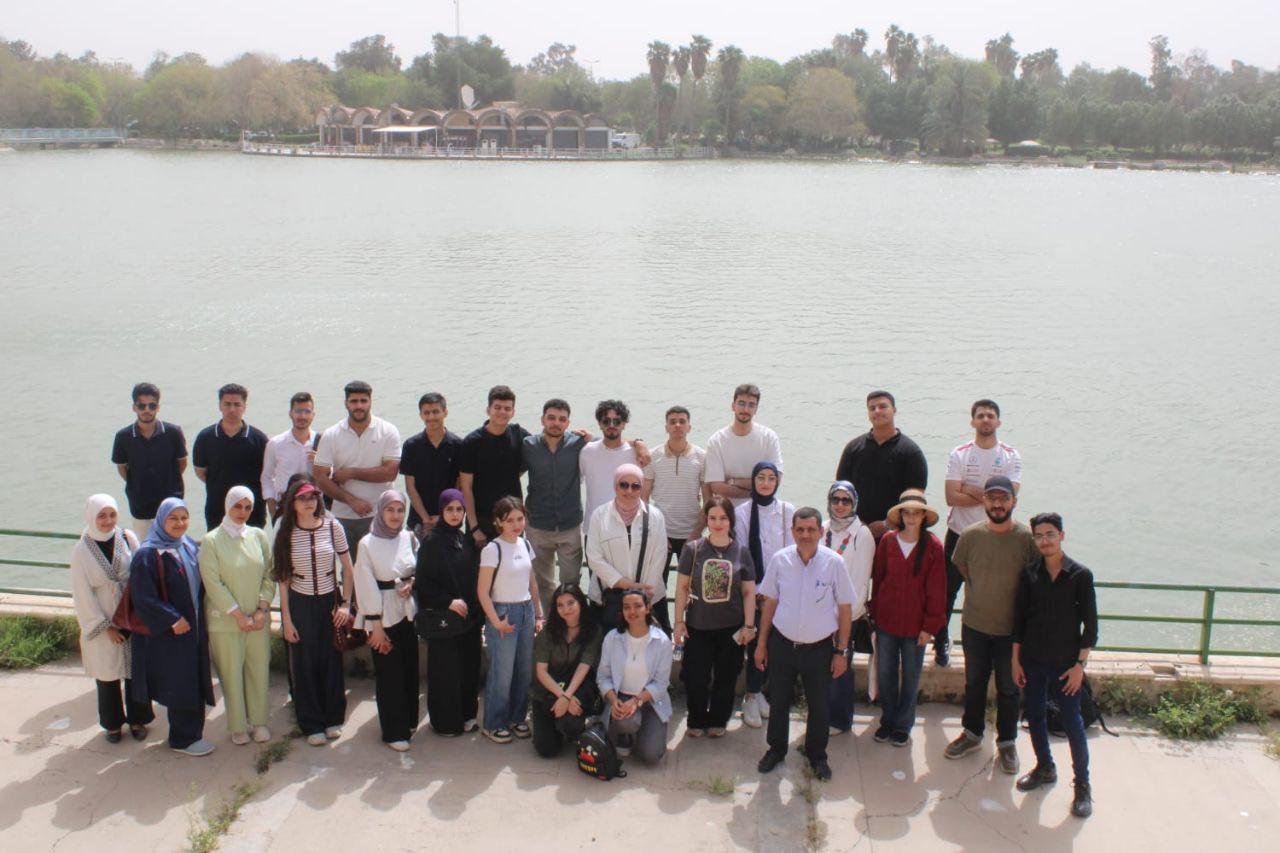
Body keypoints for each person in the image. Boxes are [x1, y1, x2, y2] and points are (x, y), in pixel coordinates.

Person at [943, 475, 1039, 774]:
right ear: (984, 500)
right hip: (975, 625)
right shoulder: (970, 535)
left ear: (1014, 501)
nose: (998, 504)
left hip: (1012, 631)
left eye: (1003, 498)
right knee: (974, 684)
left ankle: (1007, 742)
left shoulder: (1027, 539)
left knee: (1009, 689)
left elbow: (1037, 579)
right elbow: (961, 565)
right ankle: (972, 734)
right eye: (992, 498)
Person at [754, 508, 854, 782]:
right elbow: (770, 602)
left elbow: (845, 609)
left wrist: (841, 651)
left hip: (819, 649)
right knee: (778, 701)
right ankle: (776, 750)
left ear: (821, 532)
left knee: (820, 705)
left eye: (811, 530)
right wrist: (762, 644)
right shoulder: (780, 560)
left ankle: (817, 755)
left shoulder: (834, 563)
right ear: (792, 532)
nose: (806, 535)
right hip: (783, 645)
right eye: (800, 530)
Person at [1013, 512, 1098, 819]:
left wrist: (1079, 666)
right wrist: (1015, 661)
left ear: (1061, 535)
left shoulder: (1080, 575)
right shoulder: (1029, 574)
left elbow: (1090, 627)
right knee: (1035, 718)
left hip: (1065, 667)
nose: (1045, 541)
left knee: (1073, 724)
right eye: (1039, 536)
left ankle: (1082, 785)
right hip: (1033, 661)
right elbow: (1019, 622)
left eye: (1050, 534)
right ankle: (1044, 766)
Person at [938, 399, 1023, 666]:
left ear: (998, 421)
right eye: (981, 415)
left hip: (995, 536)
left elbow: (1008, 498)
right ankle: (941, 641)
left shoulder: (1011, 455)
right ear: (972, 421)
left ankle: (1000, 646)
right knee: (947, 592)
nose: (986, 419)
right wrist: (988, 495)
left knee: (995, 592)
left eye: (990, 415)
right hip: (959, 533)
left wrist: (968, 489)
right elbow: (951, 497)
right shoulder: (960, 453)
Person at [128, 498, 216, 756]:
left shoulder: (186, 545)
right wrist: (172, 619)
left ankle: (193, 732)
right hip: (172, 633)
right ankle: (182, 738)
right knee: (180, 681)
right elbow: (143, 597)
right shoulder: (148, 554)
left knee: (194, 677)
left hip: (193, 627)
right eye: (173, 518)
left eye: (184, 518)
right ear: (160, 520)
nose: (180, 523)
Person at [273, 480, 355, 746]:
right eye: (303, 498)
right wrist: (287, 620)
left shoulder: (332, 526)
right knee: (305, 662)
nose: (309, 502)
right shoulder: (286, 532)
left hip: (329, 600)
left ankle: (333, 718)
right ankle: (311, 723)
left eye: (313, 497)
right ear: (293, 503)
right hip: (301, 601)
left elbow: (348, 567)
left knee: (331, 659)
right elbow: (282, 579)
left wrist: (345, 604)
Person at [69, 494, 154, 742]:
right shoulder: (81, 551)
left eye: (112, 515)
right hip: (103, 617)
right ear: (91, 517)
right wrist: (106, 627)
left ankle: (138, 719)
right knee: (107, 675)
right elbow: (82, 594)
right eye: (101, 516)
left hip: (130, 614)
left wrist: (141, 612)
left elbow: (141, 571)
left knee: (135, 671)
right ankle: (113, 724)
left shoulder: (127, 537)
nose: (108, 521)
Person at [867, 490, 946, 746]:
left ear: (923, 516)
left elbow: (937, 590)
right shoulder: (888, 541)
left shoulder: (933, 546)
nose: (911, 518)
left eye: (916, 513)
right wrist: (875, 613)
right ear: (900, 515)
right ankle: (888, 720)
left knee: (911, 677)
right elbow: (878, 579)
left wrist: (929, 627)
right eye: (907, 512)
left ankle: (903, 725)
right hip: (887, 622)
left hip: (916, 626)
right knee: (886, 673)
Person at [673, 496, 756, 738]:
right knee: (695, 677)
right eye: (712, 518)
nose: (718, 523)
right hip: (698, 626)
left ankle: (719, 719)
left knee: (726, 676)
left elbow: (748, 592)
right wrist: (678, 622)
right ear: (706, 520)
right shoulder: (693, 549)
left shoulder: (742, 552)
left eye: (723, 518)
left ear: (731, 521)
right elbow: (681, 588)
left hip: (731, 627)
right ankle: (696, 720)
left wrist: (749, 625)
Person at [198, 486, 275, 745]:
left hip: (257, 620)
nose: (242, 512)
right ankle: (238, 725)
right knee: (231, 675)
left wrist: (262, 609)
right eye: (237, 506)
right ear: (227, 506)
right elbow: (212, 582)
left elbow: (269, 575)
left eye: (248, 507)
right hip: (225, 621)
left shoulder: (258, 536)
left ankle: (259, 722)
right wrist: (238, 614)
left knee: (258, 671)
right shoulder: (211, 540)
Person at [354, 490, 420, 751]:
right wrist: (376, 627)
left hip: (406, 612)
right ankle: (393, 732)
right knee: (389, 674)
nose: (395, 515)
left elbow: (418, 567)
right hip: (382, 616)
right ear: (380, 512)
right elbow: (364, 584)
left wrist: (411, 583)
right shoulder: (367, 543)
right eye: (390, 510)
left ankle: (409, 720)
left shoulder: (408, 537)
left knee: (409, 668)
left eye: (400, 510)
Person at [414, 489, 482, 736]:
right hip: (444, 618)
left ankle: (467, 715)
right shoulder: (431, 543)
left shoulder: (465, 540)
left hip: (468, 619)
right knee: (445, 671)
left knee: (469, 668)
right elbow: (423, 583)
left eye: (459, 509)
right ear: (441, 511)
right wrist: (447, 602)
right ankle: (445, 722)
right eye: (449, 509)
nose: (455, 514)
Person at [476, 496, 544, 744]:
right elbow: (482, 592)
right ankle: (493, 723)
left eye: (520, 519)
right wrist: (496, 622)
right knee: (502, 673)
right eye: (510, 520)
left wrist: (539, 614)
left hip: (526, 611)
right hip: (503, 612)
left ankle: (517, 718)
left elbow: (532, 582)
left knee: (524, 671)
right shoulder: (492, 549)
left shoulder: (525, 544)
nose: (516, 524)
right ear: (498, 522)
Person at [734, 461, 794, 729]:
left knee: (772, 644)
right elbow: (742, 553)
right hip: (753, 592)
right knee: (754, 641)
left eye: (771, 478)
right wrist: (757, 591)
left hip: (780, 593)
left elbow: (791, 553)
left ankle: (760, 692)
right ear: (753, 480)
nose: (766, 483)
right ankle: (751, 695)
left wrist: (776, 591)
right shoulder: (743, 512)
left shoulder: (787, 511)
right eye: (761, 477)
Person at [313, 381, 402, 559]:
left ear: (370, 402)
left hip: (380, 514)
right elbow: (319, 476)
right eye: (354, 401)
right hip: (343, 516)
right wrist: (352, 501)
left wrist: (352, 473)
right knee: (349, 570)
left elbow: (390, 472)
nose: (359, 406)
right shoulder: (331, 434)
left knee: (382, 567)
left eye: (363, 401)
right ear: (346, 403)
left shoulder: (388, 431)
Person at [642, 405, 709, 631]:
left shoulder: (702, 457)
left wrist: (696, 534)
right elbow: (643, 499)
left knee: (693, 588)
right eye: (673, 421)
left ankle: (690, 631)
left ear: (689, 426)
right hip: (661, 535)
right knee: (656, 586)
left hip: (692, 536)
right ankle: (663, 631)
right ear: (666, 427)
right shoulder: (653, 456)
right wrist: (655, 532)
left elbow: (708, 500)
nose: (677, 425)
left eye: (682, 421)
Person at [585, 464, 669, 633]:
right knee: (607, 647)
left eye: (635, 486)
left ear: (641, 488)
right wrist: (627, 584)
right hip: (608, 599)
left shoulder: (655, 516)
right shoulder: (599, 516)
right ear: (615, 486)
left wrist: (645, 593)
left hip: (650, 599)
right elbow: (593, 557)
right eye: (623, 485)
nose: (629, 490)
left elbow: (659, 556)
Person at [835, 391, 928, 540]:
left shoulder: (911, 452)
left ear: (894, 410)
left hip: (896, 533)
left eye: (882, 406)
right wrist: (855, 523)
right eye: (872, 408)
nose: (877, 411)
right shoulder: (853, 448)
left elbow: (915, 497)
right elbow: (841, 491)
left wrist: (887, 523)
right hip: (855, 531)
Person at [523, 398, 587, 612]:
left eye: (561, 419)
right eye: (551, 418)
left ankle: (571, 622)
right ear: (542, 419)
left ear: (568, 423)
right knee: (543, 583)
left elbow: (612, 446)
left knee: (571, 583)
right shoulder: (528, 445)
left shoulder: (579, 444)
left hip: (570, 525)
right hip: (537, 525)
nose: (556, 423)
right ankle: (552, 623)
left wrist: (638, 444)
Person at [597, 588, 673, 765]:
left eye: (638, 606)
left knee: (651, 755)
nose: (632, 611)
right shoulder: (612, 638)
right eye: (627, 607)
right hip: (620, 697)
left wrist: (636, 702)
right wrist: (613, 700)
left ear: (647, 608)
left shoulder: (662, 641)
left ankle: (645, 730)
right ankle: (624, 733)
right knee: (626, 722)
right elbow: (603, 677)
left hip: (650, 700)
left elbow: (661, 683)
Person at [823, 482, 875, 736]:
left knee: (841, 664)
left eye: (846, 501)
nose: (840, 505)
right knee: (823, 665)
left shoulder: (862, 535)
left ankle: (840, 719)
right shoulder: (823, 529)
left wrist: (845, 615)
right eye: (836, 499)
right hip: (820, 613)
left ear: (854, 504)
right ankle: (823, 712)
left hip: (846, 616)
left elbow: (860, 581)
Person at [530, 583, 601, 757]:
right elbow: (541, 672)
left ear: (580, 603)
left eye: (570, 603)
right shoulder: (547, 633)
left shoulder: (593, 630)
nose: (566, 609)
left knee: (571, 724)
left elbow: (584, 667)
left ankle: (574, 725)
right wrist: (562, 697)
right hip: (549, 690)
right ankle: (551, 724)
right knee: (547, 750)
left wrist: (567, 697)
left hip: (577, 688)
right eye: (560, 605)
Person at [112, 382, 187, 537]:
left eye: (152, 406)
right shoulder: (123, 437)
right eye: (142, 406)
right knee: (145, 547)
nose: (147, 410)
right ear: (134, 407)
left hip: (171, 503)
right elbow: (122, 469)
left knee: (173, 546)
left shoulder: (173, 433)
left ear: (158, 407)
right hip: (140, 505)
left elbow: (182, 463)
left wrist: (168, 480)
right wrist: (138, 483)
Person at [459, 386, 529, 547]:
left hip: (513, 520)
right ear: (488, 410)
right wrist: (474, 527)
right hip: (482, 521)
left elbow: (544, 445)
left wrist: (580, 438)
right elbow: (466, 487)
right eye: (497, 407)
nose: (502, 412)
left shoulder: (519, 435)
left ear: (513, 412)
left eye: (507, 408)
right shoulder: (472, 442)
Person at [192, 383, 269, 530]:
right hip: (217, 511)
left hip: (252, 512)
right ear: (220, 406)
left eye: (237, 404)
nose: (232, 409)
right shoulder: (205, 437)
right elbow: (201, 472)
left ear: (244, 407)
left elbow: (267, 474)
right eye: (227, 404)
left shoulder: (259, 439)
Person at [705, 384, 784, 507]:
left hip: (763, 510)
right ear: (733, 406)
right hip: (729, 514)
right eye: (741, 403)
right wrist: (756, 491)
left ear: (756, 410)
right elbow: (717, 487)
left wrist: (734, 481)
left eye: (751, 405)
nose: (746, 410)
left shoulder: (769, 437)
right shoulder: (716, 441)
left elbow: (776, 479)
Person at [401, 392, 463, 537]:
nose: (431, 417)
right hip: (418, 521)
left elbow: (459, 485)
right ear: (421, 415)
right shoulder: (411, 446)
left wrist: (443, 517)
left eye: (435, 412)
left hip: (450, 520)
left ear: (445, 412)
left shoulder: (459, 445)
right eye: (426, 413)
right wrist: (426, 519)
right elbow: (410, 487)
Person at [579, 399, 647, 524]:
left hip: (628, 525)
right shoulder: (587, 451)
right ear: (599, 424)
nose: (611, 425)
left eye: (617, 421)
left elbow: (644, 489)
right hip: (594, 525)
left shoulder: (636, 453)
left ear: (624, 424)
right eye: (606, 421)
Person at [261, 392, 318, 520]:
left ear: (313, 414)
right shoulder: (275, 443)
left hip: (313, 506)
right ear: (290, 413)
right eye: (298, 411)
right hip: (284, 506)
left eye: (307, 411)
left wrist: (320, 463)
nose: (302, 416)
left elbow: (331, 476)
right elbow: (267, 477)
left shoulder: (321, 442)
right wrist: (272, 507)